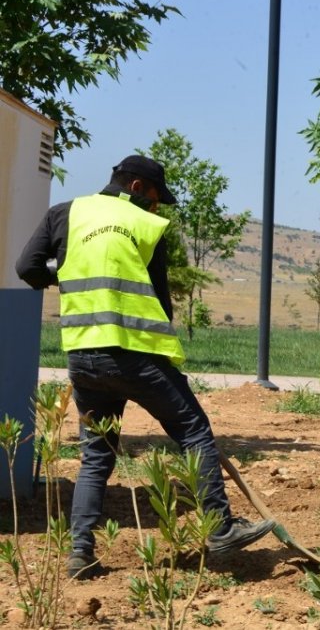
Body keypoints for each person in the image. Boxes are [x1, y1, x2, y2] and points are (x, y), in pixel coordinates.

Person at [15, 155, 277, 579]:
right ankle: (221, 529)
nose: (157, 209)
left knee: (96, 456)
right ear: (137, 188)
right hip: (136, 354)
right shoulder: (145, 225)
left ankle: (80, 554)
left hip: (83, 356)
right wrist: (166, 361)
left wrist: (67, 268)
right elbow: (160, 302)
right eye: (156, 199)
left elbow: (27, 268)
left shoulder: (65, 213)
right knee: (194, 432)